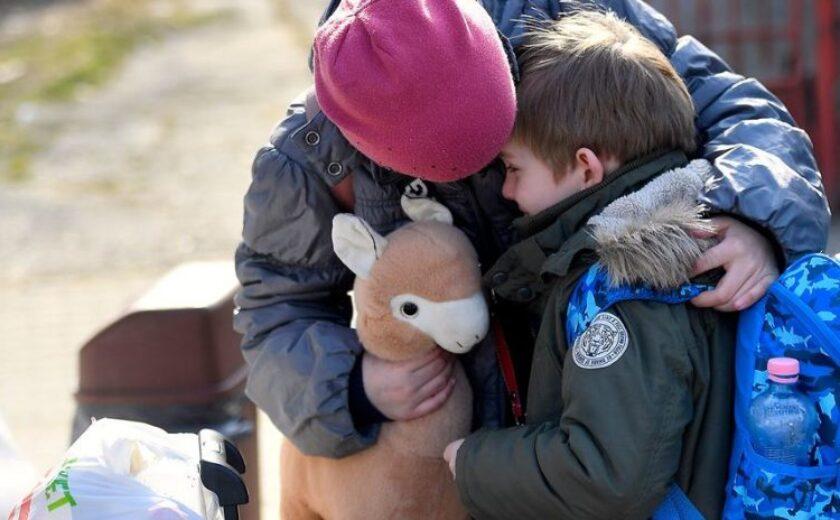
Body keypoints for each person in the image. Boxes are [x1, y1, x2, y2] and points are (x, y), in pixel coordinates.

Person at [234, 0, 827, 463]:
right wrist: (353, 386)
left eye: (502, 156)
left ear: (495, 56)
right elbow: (273, 312)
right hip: (462, 461)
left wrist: (752, 218)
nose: (501, 188)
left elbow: (739, 110)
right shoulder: (309, 156)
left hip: (629, 425)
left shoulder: (570, 21)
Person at [442, 11, 736, 518]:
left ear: (585, 168)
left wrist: (471, 462)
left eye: (514, 168)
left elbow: (607, 475)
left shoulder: (626, 287)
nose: (506, 190)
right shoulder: (664, 246)